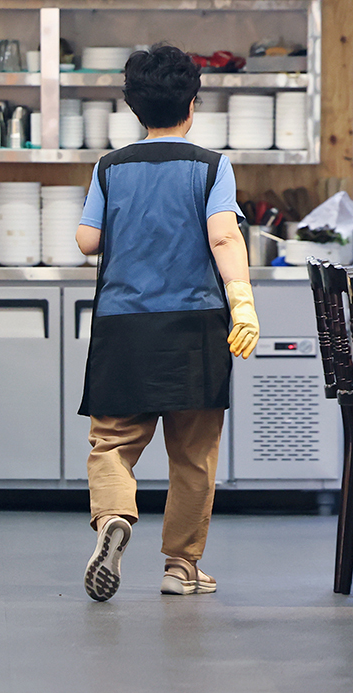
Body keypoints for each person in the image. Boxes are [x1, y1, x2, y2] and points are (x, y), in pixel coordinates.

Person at [75, 44, 260, 602]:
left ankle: (114, 515)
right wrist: (243, 302)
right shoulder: (211, 166)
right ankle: (181, 567)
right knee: (194, 455)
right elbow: (223, 236)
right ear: (192, 104)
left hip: (124, 327)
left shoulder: (110, 167)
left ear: (134, 107)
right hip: (196, 328)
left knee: (111, 442)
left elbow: (87, 241)